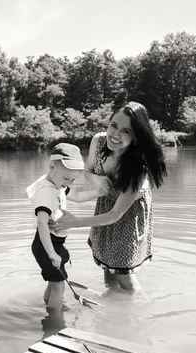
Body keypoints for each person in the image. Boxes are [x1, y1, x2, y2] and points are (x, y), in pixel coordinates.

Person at [51, 102, 167, 293]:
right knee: (107, 266)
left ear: (136, 136)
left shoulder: (138, 168)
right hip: (105, 206)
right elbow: (86, 170)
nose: (115, 134)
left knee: (124, 277)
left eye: (125, 131)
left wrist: (74, 222)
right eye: (113, 125)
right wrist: (95, 179)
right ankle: (112, 307)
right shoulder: (98, 141)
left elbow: (115, 215)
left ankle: (141, 314)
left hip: (128, 215)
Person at [26, 143, 105, 311]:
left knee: (54, 284)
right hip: (46, 245)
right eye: (66, 179)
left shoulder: (57, 183)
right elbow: (41, 223)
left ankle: (50, 306)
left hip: (54, 243)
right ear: (52, 166)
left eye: (73, 180)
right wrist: (52, 253)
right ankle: (55, 321)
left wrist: (98, 193)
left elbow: (76, 196)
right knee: (59, 287)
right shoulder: (46, 191)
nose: (68, 183)